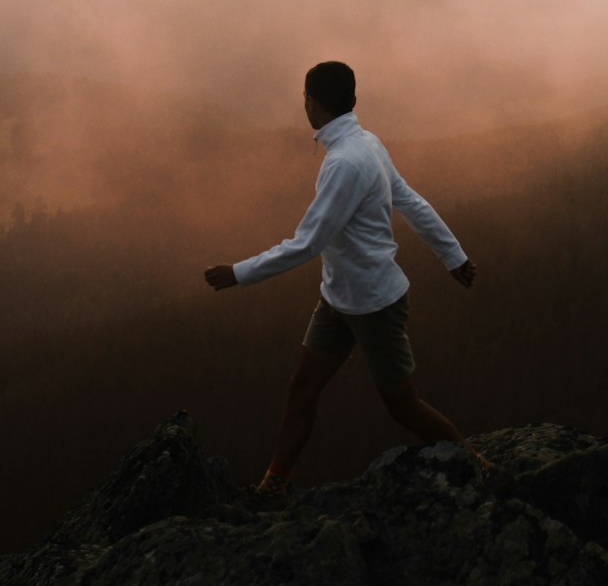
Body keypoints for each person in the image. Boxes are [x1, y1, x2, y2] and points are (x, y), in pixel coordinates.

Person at [204, 60, 483, 495]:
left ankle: (476, 464)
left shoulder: (345, 164)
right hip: (339, 298)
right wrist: (454, 256)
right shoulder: (366, 144)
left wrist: (238, 273)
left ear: (312, 103)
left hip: (374, 304)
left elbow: (307, 243)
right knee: (303, 387)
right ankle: (274, 484)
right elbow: (409, 200)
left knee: (404, 406)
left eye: (304, 98)